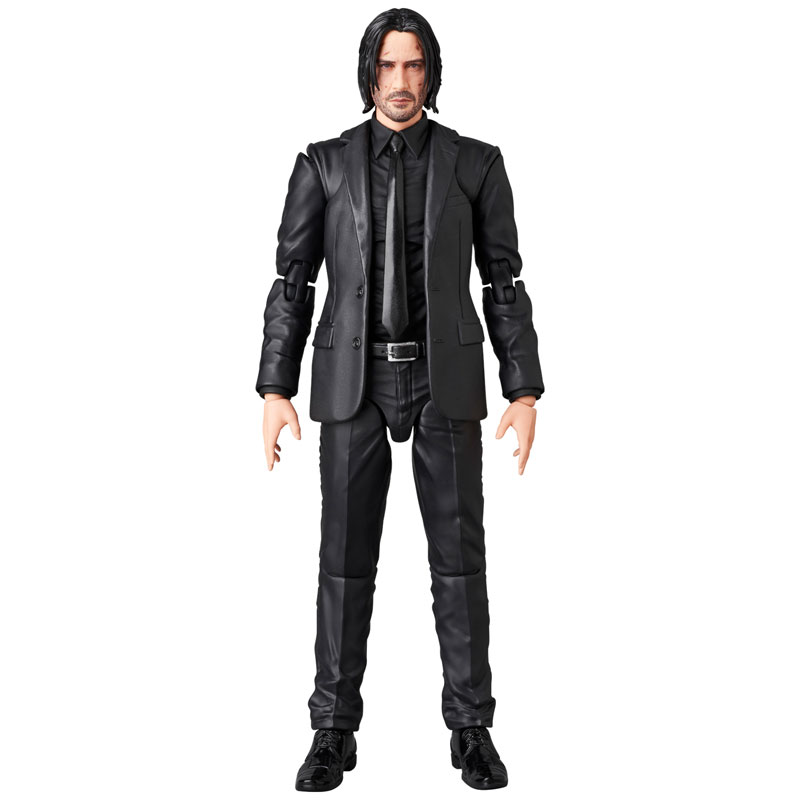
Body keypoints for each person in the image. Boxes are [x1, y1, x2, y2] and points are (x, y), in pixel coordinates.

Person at [256, 8, 544, 791]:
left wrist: (522, 388)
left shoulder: (475, 164)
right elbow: (292, 281)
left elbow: (504, 279)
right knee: (343, 561)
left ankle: (472, 727)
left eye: (414, 65)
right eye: (388, 66)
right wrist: (276, 385)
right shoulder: (323, 165)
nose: (401, 81)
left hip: (444, 378)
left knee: (459, 562)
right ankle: (332, 729)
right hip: (353, 381)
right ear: (368, 73)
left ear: (432, 73)